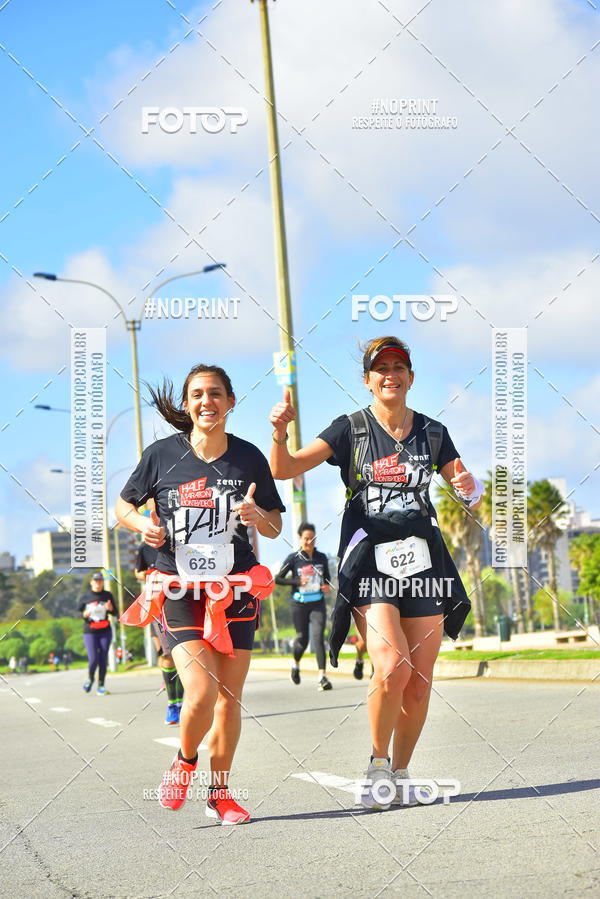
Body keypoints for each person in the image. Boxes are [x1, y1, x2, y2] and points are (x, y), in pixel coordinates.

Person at [270, 336, 481, 811]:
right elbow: (284, 469)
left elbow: (467, 489)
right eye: (380, 368)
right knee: (391, 665)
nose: (390, 374)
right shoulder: (350, 430)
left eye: (399, 366)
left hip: (424, 561)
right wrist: (280, 433)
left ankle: (402, 773)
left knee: (420, 679)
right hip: (371, 564)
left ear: (410, 376)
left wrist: (471, 489)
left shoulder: (432, 432)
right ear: (367, 380)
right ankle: (377, 765)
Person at [116, 363, 284, 824]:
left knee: (230, 696)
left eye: (215, 393)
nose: (206, 401)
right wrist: (142, 524)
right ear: (187, 406)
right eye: (197, 395)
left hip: (236, 589)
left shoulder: (249, 458)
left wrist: (255, 515)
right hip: (178, 588)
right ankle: (186, 758)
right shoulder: (160, 455)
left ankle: (220, 795)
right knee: (202, 689)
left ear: (231, 402)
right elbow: (123, 505)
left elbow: (274, 524)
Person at [275, 523, 333, 691]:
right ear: (300, 539)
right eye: (306, 538)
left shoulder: (321, 557)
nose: (309, 541)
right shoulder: (294, 558)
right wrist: (296, 581)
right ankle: (295, 663)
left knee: (318, 637)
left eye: (312, 538)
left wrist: (326, 586)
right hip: (298, 604)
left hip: (317, 603)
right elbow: (279, 579)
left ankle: (322, 677)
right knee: (302, 639)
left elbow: (327, 578)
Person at [135, 539, 185, 725]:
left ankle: (185, 705)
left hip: (187, 598)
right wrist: (153, 574)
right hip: (158, 603)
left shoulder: (181, 538)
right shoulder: (145, 546)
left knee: (185, 655)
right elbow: (138, 572)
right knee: (167, 655)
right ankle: (173, 705)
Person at [78, 572, 116, 695]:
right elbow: (78, 613)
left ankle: (101, 685)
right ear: (91, 582)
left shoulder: (107, 595)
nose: (97, 583)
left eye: (100, 580)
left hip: (105, 630)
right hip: (90, 631)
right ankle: (90, 678)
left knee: (103, 658)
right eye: (95, 580)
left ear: (103, 582)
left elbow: (115, 612)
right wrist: (84, 615)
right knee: (93, 659)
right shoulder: (85, 596)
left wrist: (111, 609)